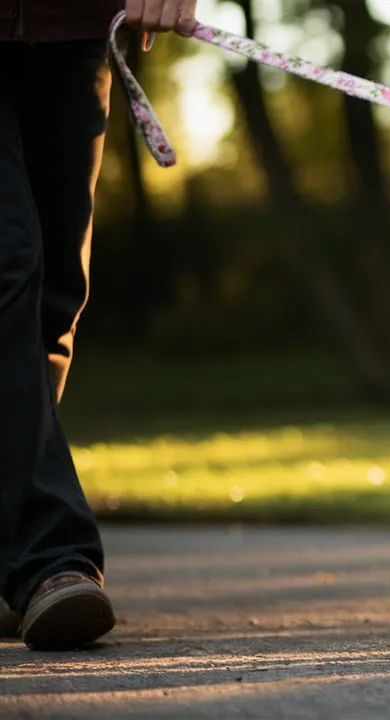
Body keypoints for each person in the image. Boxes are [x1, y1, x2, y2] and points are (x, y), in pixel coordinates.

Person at [0, 0, 197, 651]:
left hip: (72, 24)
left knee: (55, 296)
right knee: (7, 264)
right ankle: (50, 557)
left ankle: (9, 558)